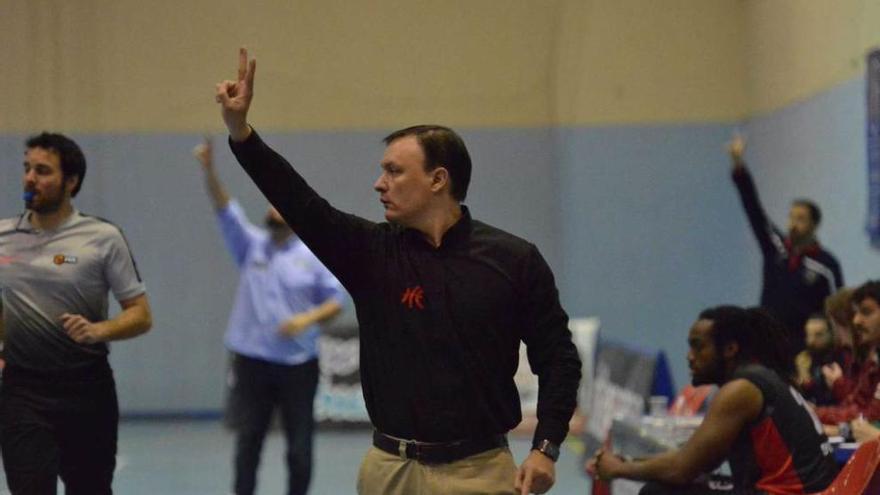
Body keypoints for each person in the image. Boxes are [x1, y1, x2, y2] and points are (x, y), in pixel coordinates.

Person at [214, 48, 582, 495]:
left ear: (437, 180)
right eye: (381, 171)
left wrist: (546, 446)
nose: (379, 183)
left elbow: (558, 357)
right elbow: (299, 202)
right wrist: (241, 131)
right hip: (389, 471)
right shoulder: (370, 253)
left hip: (480, 472)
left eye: (393, 171)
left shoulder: (513, 260)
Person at [0, 132, 153, 494]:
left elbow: (141, 315)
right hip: (23, 392)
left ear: (71, 181)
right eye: (27, 169)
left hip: (87, 392)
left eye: (42, 171)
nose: (30, 178)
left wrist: (99, 331)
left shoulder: (102, 238)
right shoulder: (4, 237)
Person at [193, 137, 344, 495]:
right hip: (252, 363)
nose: (274, 210)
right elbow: (225, 209)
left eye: (282, 207)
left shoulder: (312, 255)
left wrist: (305, 320)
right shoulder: (251, 245)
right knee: (248, 444)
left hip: (298, 364)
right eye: (271, 205)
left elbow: (336, 300)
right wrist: (209, 170)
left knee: (300, 448)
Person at [587, 306, 838, 494]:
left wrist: (619, 469)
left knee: (659, 493)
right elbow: (700, 461)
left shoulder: (742, 390)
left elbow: (682, 468)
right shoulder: (761, 378)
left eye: (698, 347)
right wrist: (627, 461)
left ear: (729, 349)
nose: (689, 357)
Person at [727, 135, 843, 348]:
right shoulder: (775, 247)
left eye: (800, 219)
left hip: (804, 350)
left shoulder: (826, 266)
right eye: (791, 217)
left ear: (814, 224)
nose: (792, 224)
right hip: (766, 344)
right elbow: (754, 210)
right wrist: (738, 166)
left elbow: (838, 313)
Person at [816, 280, 880, 426]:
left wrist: (814, 413)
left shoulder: (867, 358)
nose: (856, 321)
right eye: (855, 314)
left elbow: (870, 417)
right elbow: (861, 407)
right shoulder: (872, 358)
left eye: (866, 312)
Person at [795, 314, 848, 405]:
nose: (811, 341)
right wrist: (804, 378)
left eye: (818, 335)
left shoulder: (844, 360)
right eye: (808, 335)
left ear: (832, 334)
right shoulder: (805, 359)